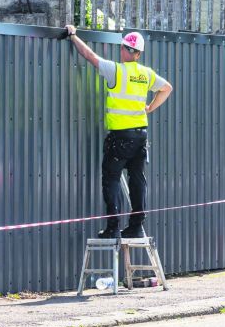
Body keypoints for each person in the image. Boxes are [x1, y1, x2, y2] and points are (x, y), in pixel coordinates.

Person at [65, 25, 173, 238]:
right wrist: (150, 108)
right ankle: (136, 226)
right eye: (123, 47)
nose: (122, 51)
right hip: (141, 135)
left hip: (120, 137)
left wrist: (73, 35)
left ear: (129, 51)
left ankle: (113, 227)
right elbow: (167, 88)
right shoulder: (146, 74)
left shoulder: (116, 70)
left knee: (111, 178)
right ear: (138, 53)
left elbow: (89, 55)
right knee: (137, 179)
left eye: (124, 48)